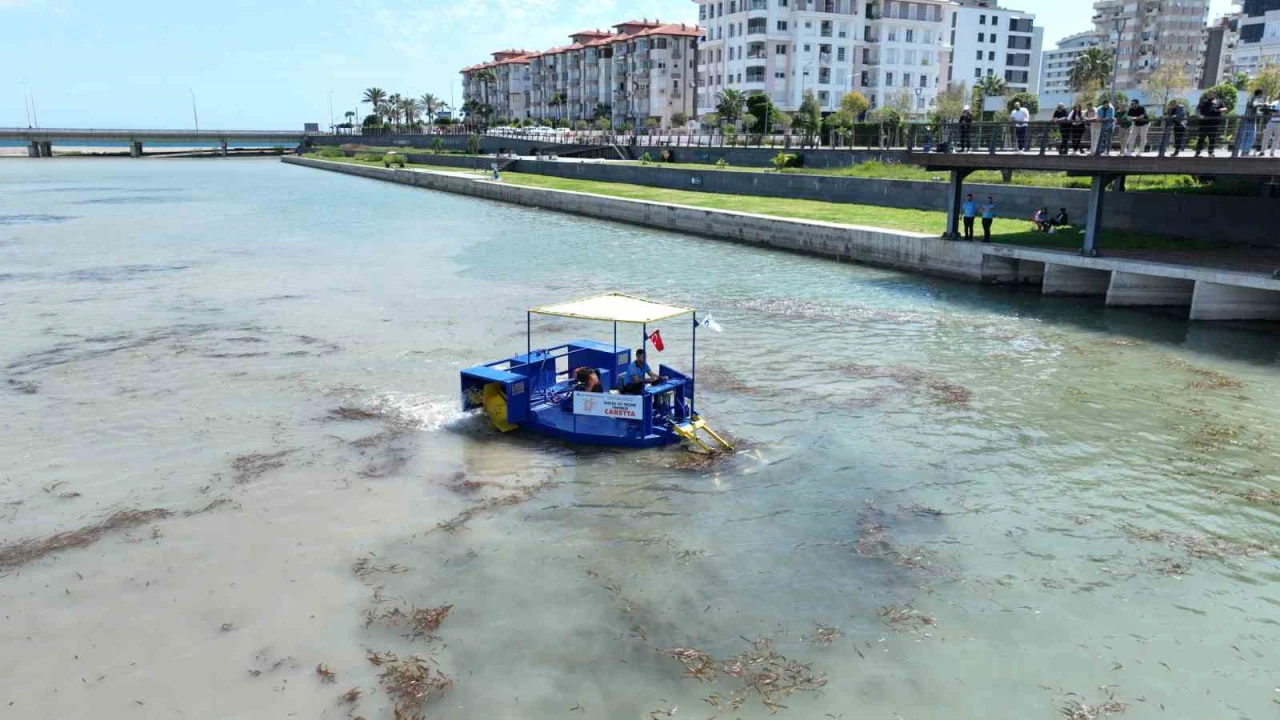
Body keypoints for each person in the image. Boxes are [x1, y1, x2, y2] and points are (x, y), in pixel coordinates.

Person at [1195, 90, 1224, 157]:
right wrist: (1200, 116)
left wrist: (1218, 110)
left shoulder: (1219, 101)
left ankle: (1210, 153)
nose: (1209, 95)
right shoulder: (1203, 101)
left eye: (1211, 94)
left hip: (1214, 124)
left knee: (1212, 139)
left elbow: (1225, 108)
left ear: (1215, 95)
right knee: (1201, 139)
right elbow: (1197, 110)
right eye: (1209, 94)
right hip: (1203, 124)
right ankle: (1197, 153)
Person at [1239, 89, 1264, 156]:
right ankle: (1246, 152)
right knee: (1251, 137)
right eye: (1261, 94)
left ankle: (1243, 152)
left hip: (1247, 120)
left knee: (1246, 137)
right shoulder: (1254, 99)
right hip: (1250, 121)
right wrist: (1263, 104)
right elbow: (1254, 105)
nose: (1262, 96)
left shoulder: (1250, 99)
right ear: (1259, 94)